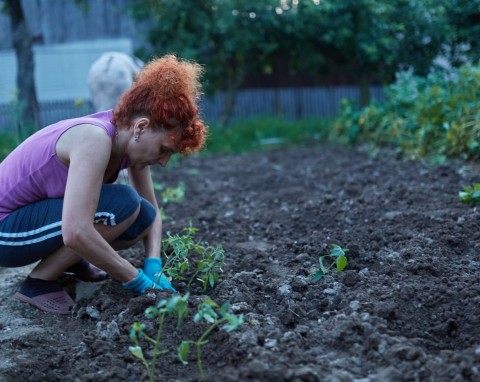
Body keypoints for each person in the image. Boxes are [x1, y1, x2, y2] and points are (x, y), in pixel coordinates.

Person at [0, 54, 207, 315]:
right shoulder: (95, 139)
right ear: (141, 127)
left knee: (141, 215)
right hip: (5, 231)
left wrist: (153, 262)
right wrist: (137, 280)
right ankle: (38, 283)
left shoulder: (128, 144)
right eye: (164, 149)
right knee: (123, 205)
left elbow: (152, 216)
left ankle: (74, 263)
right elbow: (75, 231)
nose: (163, 161)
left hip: (28, 221)